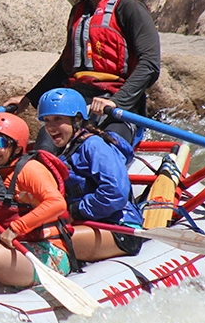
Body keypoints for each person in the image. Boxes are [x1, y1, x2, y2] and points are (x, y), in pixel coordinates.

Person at [4, 0, 161, 151]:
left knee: (103, 152)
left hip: (117, 108)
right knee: (44, 150)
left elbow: (150, 64)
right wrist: (29, 98)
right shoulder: (78, 11)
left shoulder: (129, 5)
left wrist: (117, 101)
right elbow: (65, 66)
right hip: (76, 105)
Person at [0, 113, 73, 295]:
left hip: (47, 254)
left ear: (16, 148)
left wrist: (16, 228)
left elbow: (57, 203)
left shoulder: (30, 170)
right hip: (13, 250)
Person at [37, 88, 143, 261]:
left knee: (45, 241)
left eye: (58, 119)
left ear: (77, 119)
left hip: (120, 228)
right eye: (47, 121)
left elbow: (115, 192)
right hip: (89, 225)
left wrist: (76, 211)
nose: (51, 127)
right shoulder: (66, 150)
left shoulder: (94, 145)